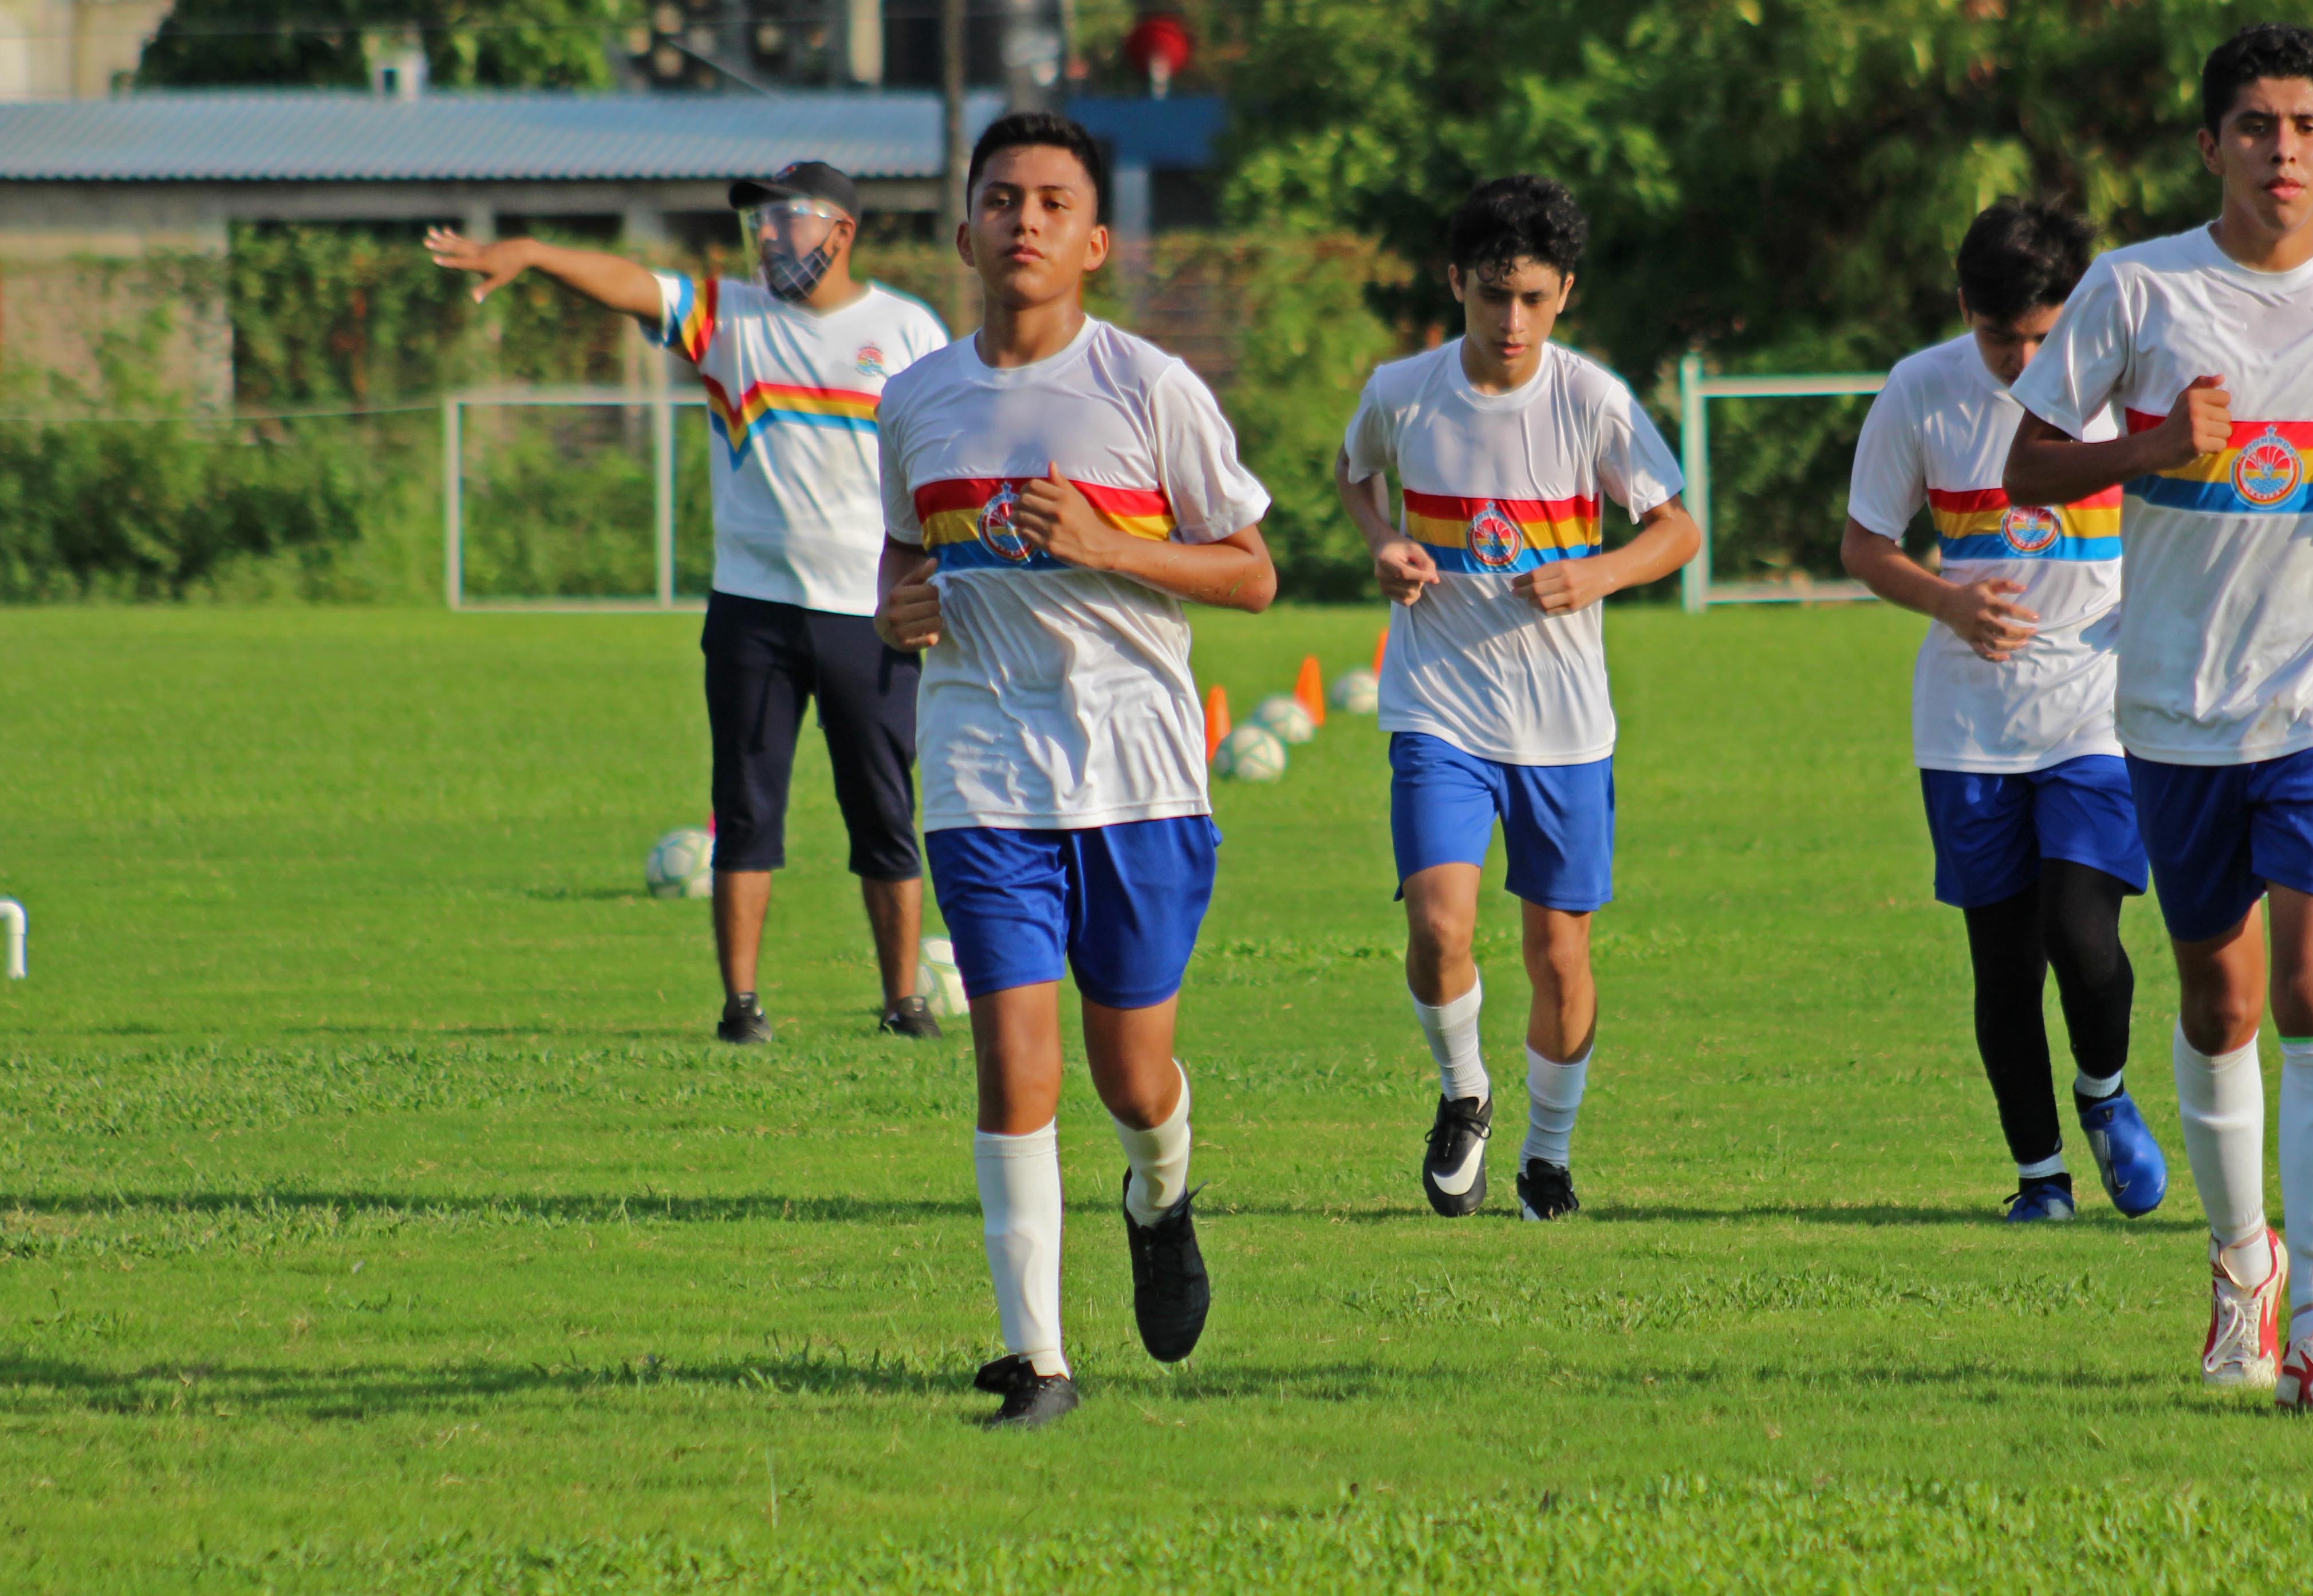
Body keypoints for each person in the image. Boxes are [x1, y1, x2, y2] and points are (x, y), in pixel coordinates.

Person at [2002, 23, 2313, 1415]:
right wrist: (2151, 446)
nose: (2283, 150)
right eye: (2257, 125)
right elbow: (2027, 466)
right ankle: (2241, 1267)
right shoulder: (2138, 289)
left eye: (2309, 126)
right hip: (2179, 705)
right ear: (2211, 145)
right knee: (2222, 1001)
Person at [873, 110, 1276, 1429]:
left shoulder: (1149, 389)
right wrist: (895, 609)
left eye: (1054, 202)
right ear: (965, 232)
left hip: (1139, 774)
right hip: (982, 765)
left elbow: (1255, 574)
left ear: (1096, 242)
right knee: (1013, 1057)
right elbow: (903, 553)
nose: (1026, 221)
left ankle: (1160, 1194)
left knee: (1132, 1076)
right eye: (1003, 199)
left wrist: (1110, 546)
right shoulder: (915, 401)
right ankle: (1037, 1358)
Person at [425, 163, 949, 1045]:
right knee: (745, 815)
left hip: (870, 614)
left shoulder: (907, 331)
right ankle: (741, 1008)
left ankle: (903, 1002)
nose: (767, 235)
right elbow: (630, 284)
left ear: (842, 230)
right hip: (753, 611)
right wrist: (536, 253)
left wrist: (938, 578)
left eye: (786, 218)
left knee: (885, 815)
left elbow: (947, 460)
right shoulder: (729, 318)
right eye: (759, 222)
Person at [1334, 175, 1701, 1223]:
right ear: (1456, 283)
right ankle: (1465, 1096)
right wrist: (1383, 543)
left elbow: (1678, 530)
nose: (1512, 321)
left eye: (1535, 298)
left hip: (1565, 726)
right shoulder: (1403, 391)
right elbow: (1355, 471)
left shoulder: (1594, 401)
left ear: (1565, 293)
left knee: (1559, 955)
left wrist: (1599, 574)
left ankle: (1548, 1154)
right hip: (1438, 707)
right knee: (1440, 924)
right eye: (1494, 295)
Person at [1841, 198, 2168, 1226]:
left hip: (2098, 709)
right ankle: (2041, 1180)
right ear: (1963, 310)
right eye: (2000, 339)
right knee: (2004, 964)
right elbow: (1864, 545)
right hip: (1968, 726)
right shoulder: (1920, 389)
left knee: (2083, 933)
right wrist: (1947, 601)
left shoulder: (2130, 386)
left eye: (2043, 337)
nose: (2024, 360)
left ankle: (2104, 1092)